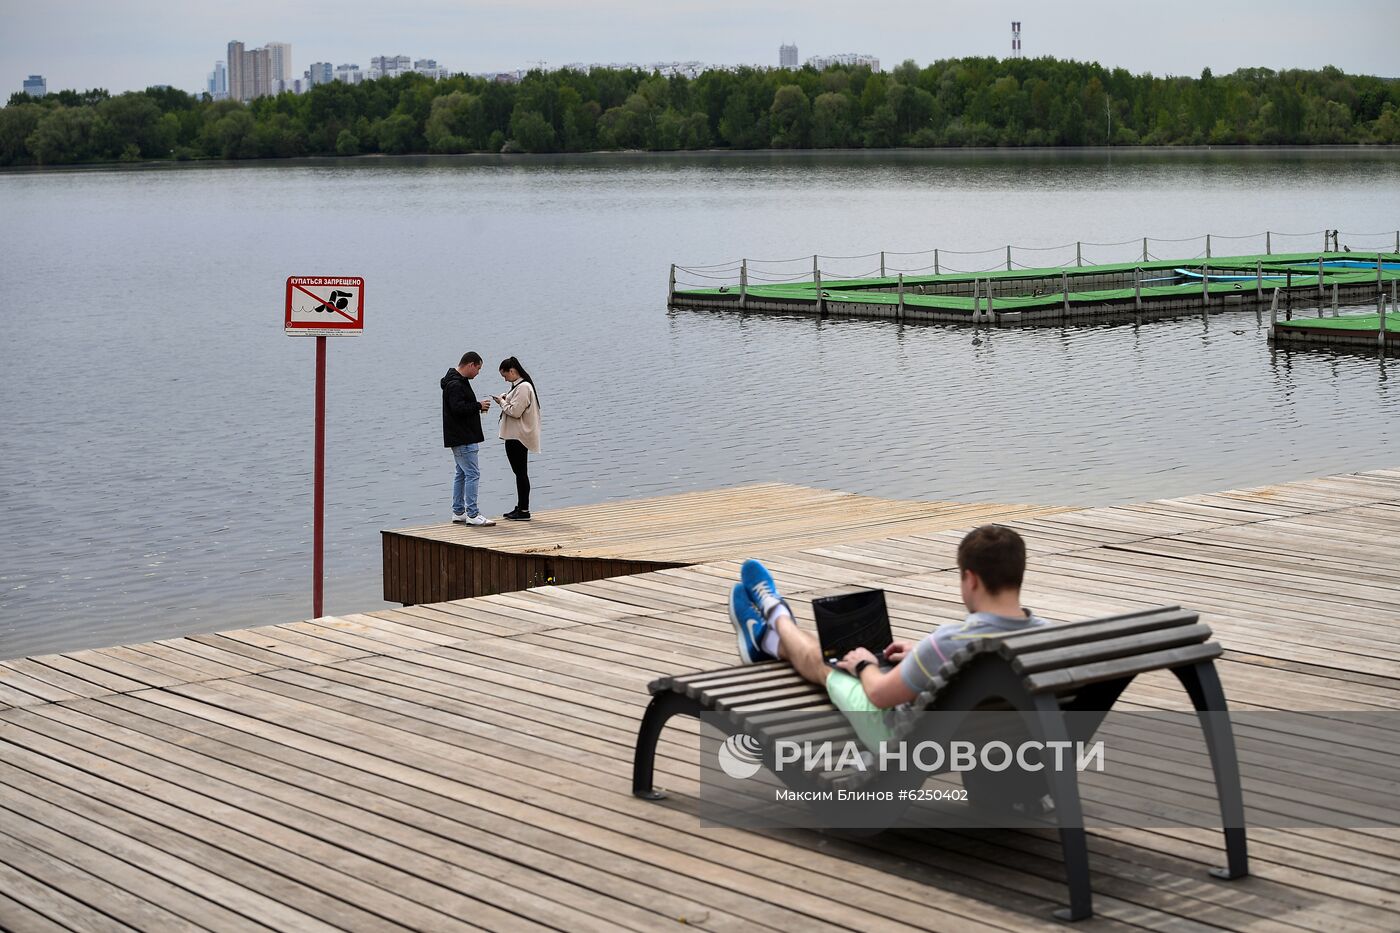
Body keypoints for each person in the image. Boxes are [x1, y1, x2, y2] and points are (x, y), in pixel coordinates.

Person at [728, 524, 1048, 749]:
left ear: (971, 579)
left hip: (902, 741)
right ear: (1018, 574)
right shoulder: (1049, 637)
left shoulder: (949, 642)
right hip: (1009, 741)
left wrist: (865, 665)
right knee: (862, 661)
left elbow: (879, 696)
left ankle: (774, 615)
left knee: (829, 662)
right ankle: (766, 637)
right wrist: (923, 658)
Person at [441, 351, 495, 526]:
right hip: (463, 437)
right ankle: (472, 513)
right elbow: (458, 409)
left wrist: (475, 406)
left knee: (462, 473)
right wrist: (478, 405)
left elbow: (459, 406)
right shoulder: (456, 384)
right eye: (478, 368)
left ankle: (458, 511)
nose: (478, 373)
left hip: (459, 437)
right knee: (472, 474)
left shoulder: (454, 381)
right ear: (470, 364)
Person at [492, 356, 541, 521]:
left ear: (512, 371)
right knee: (519, 473)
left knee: (521, 473)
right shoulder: (519, 386)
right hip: (514, 436)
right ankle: (521, 506)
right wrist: (506, 399)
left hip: (517, 437)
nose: (505, 379)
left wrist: (501, 402)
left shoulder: (524, 387)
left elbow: (515, 412)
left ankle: (524, 510)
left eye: (505, 376)